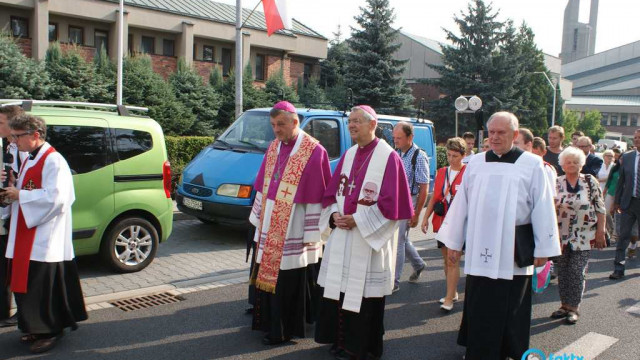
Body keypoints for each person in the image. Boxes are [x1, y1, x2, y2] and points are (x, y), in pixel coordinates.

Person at [436, 112, 561, 360]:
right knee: (480, 304)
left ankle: (510, 352)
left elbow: (543, 206)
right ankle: (478, 351)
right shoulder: (476, 163)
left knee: (511, 305)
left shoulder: (532, 164)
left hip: (513, 249)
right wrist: (453, 242)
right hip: (479, 246)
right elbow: (461, 203)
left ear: (515, 135)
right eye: (491, 132)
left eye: (500, 133)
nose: (494, 137)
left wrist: (543, 249)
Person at [315, 105, 413, 360]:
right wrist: (335, 215)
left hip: (367, 240)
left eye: (357, 121)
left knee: (364, 295)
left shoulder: (388, 157)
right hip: (343, 235)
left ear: (372, 124)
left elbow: (393, 205)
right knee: (341, 289)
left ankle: (361, 347)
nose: (352, 126)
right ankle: (340, 340)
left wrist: (358, 219)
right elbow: (332, 192)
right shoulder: (349, 155)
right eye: (350, 122)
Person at [248, 101, 332, 345]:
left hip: (295, 221)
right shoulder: (274, 146)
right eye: (273, 125)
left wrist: (312, 232)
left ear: (295, 122)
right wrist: (258, 218)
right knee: (268, 271)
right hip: (271, 219)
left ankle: (284, 329)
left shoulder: (314, 151)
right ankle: (268, 322)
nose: (276, 130)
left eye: (281, 124)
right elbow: (263, 184)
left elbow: (318, 196)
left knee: (288, 277)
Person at [2, 114, 87, 354]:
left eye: (18, 136)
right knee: (26, 287)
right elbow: (29, 189)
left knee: (41, 288)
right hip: (26, 233)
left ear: (35, 135)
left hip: (45, 239)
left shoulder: (54, 160)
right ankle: (33, 327)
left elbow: (59, 199)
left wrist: (22, 196)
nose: (14, 141)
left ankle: (50, 331)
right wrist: (13, 190)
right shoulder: (31, 158)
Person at [552, 147, 606, 324]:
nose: (572, 165)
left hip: (584, 234)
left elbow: (600, 207)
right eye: (568, 162)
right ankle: (564, 305)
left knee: (577, 270)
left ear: (581, 164)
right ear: (562, 164)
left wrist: (600, 231)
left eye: (575, 162)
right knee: (563, 271)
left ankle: (574, 308)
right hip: (562, 236)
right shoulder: (556, 182)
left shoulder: (589, 181)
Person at [421, 137, 466, 312]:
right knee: (446, 259)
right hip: (441, 222)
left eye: (455, 155)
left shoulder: (468, 172)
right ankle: (452, 291)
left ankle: (449, 298)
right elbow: (434, 198)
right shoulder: (441, 172)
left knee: (452, 259)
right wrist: (425, 218)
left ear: (463, 155)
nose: (451, 158)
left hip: (458, 223)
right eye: (448, 155)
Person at [392, 122, 428, 292]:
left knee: (398, 241)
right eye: (394, 138)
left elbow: (424, 187)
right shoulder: (397, 153)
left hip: (410, 201)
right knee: (402, 239)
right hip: (396, 200)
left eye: (399, 138)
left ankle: (394, 281)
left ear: (410, 137)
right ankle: (418, 264)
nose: (396, 141)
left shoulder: (419, 157)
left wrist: (417, 213)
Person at [0, 105, 26, 329]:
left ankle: (21, 312)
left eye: (0, 123)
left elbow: (25, 181)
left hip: (18, 217)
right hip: (8, 215)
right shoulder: (7, 146)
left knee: (16, 266)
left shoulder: (23, 149)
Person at [610, 129, 640, 280]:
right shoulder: (627, 157)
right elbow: (621, 181)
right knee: (623, 237)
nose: (636, 140)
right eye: (635, 138)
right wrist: (616, 202)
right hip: (629, 202)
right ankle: (618, 268)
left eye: (639, 138)